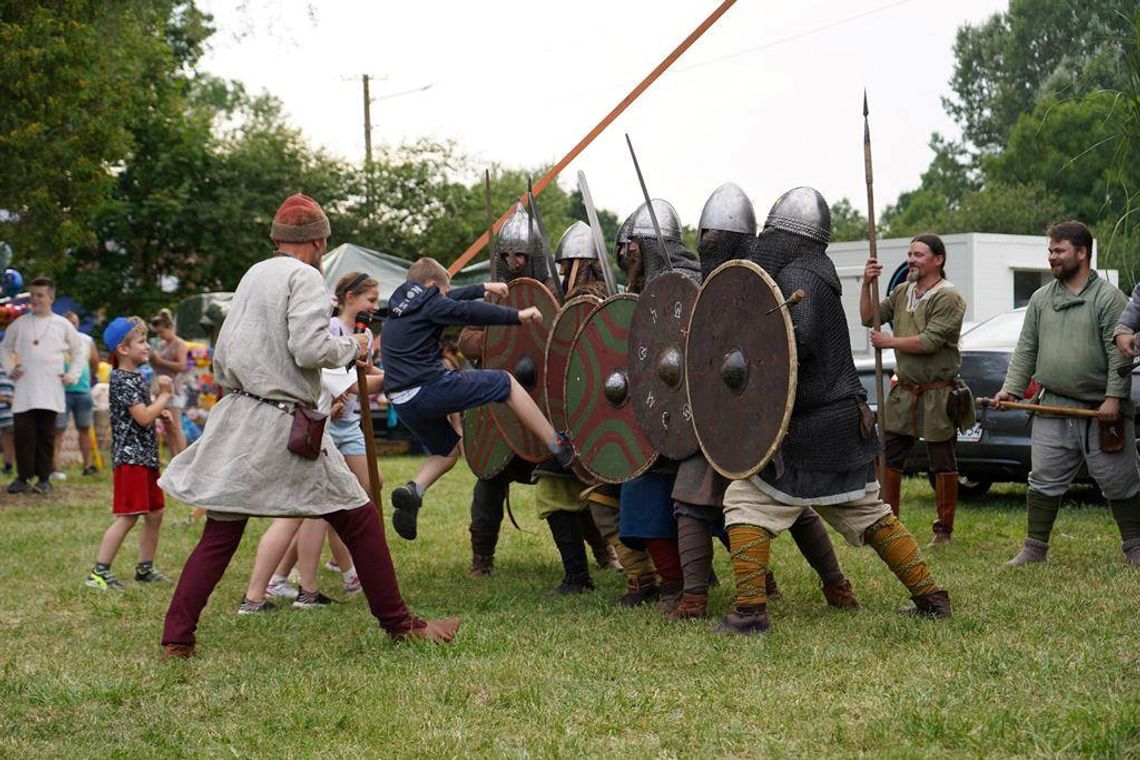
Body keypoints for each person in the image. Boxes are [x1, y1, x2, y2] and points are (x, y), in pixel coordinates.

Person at [158, 193, 460, 659]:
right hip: (284, 423)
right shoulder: (305, 277)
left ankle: (177, 640)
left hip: (239, 416)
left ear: (279, 239)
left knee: (220, 534)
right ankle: (401, 626)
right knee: (360, 520)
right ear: (318, 242)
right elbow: (311, 349)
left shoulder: (253, 274)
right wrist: (356, 345)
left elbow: (227, 353)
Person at [717, 187, 951, 636]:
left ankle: (749, 613)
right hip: (841, 422)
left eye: (773, 231)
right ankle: (931, 597)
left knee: (745, 502)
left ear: (787, 235)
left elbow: (793, 345)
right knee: (868, 511)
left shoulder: (798, 273)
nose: (765, 238)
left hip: (812, 425)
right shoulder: (812, 269)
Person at [667, 183, 858, 620]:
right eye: (706, 236)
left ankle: (831, 584)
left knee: (788, 500)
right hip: (713, 406)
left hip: (756, 410)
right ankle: (696, 597)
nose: (710, 243)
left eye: (719, 237)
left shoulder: (762, 275)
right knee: (693, 500)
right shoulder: (714, 277)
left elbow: (780, 345)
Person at [382, 254, 572, 541]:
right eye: (442, 293)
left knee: (446, 452)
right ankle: (557, 443)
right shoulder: (431, 302)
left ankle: (413, 491)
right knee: (505, 382)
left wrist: (483, 287)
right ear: (432, 286)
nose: (445, 300)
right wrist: (516, 317)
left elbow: (450, 298)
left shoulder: (401, 306)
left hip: (402, 400)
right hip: (427, 389)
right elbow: (465, 312)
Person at [997, 220, 1139, 567]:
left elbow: (1117, 354)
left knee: (1120, 482)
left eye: (1059, 250)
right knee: (1043, 479)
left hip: (1101, 412)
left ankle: (1135, 548)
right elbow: (1026, 349)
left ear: (1082, 252)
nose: (1052, 258)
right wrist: (1011, 389)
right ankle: (1034, 550)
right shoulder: (1041, 299)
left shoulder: (1108, 298)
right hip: (1053, 407)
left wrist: (1113, 399)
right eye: (1050, 251)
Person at [251, 271, 382, 610]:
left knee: (314, 513)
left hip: (309, 432)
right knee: (294, 517)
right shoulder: (322, 344)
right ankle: (257, 596)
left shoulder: (302, 342)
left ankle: (302, 590)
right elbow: (353, 384)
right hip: (310, 434)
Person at [860, 233, 974, 546]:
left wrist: (890, 341)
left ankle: (943, 532)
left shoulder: (948, 297)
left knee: (942, 459)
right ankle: (887, 527)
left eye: (919, 254)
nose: (911, 259)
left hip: (938, 391)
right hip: (905, 390)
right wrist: (866, 283)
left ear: (938, 260)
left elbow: (930, 341)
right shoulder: (901, 291)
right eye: (910, 254)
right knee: (888, 455)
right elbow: (868, 317)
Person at [85, 317, 174, 590]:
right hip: (130, 459)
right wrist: (164, 396)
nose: (147, 346)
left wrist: (160, 409)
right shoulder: (122, 379)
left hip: (145, 458)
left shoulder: (135, 377)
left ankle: (145, 569)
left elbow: (142, 415)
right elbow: (144, 418)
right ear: (123, 349)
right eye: (142, 341)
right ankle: (99, 572)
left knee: (156, 512)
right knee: (129, 515)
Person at [0, 277, 85, 494]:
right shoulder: (19, 324)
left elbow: (78, 351)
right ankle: (23, 477)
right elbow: (5, 348)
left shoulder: (62, 325)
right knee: (24, 435)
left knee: (46, 435)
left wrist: (72, 376)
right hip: (25, 389)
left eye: (39, 295)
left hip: (50, 389)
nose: (35, 299)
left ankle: (44, 478)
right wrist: (11, 369)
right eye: (32, 295)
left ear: (51, 297)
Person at [53, 311, 100, 478]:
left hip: (83, 391)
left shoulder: (86, 340)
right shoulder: (55, 340)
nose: (72, 325)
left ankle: (87, 466)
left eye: (75, 322)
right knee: (58, 430)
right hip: (61, 392)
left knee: (85, 429)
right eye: (69, 322)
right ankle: (55, 468)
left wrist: (85, 380)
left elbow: (94, 363)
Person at [149, 308, 189, 458]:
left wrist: (160, 361)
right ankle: (174, 458)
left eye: (162, 332)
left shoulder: (179, 344)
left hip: (174, 390)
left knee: (176, 427)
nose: (160, 336)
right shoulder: (162, 345)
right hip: (161, 389)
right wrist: (154, 361)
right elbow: (158, 366)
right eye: (158, 333)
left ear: (170, 328)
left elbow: (181, 366)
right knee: (167, 427)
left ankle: (183, 458)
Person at [0, 365, 14, 477]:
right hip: (6, 406)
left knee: (8, 441)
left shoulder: (9, 370)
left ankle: (8, 467)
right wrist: (5, 399)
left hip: (9, 412)